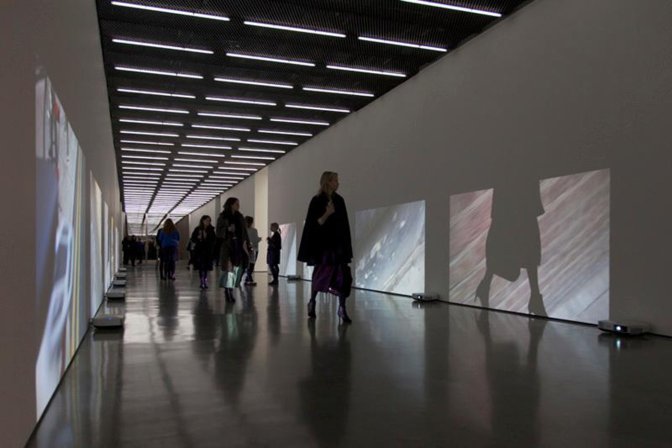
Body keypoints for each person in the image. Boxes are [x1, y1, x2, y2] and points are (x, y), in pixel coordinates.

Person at [297, 171, 353, 324]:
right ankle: (312, 302)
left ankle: (342, 308)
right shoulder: (317, 201)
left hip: (338, 247)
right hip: (323, 248)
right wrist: (327, 213)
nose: (338, 183)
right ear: (328, 182)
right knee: (321, 275)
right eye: (335, 180)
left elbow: (344, 226)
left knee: (343, 276)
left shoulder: (339, 200)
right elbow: (313, 225)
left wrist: (345, 246)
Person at [216, 198, 249, 302]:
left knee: (236, 269)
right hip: (227, 245)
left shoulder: (240, 217)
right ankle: (228, 291)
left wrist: (247, 243)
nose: (238, 205)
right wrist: (227, 229)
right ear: (230, 205)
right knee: (228, 269)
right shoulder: (223, 216)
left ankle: (230, 289)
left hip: (238, 245)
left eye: (238, 204)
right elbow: (218, 231)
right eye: (236, 204)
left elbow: (244, 232)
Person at [191, 215, 217, 289]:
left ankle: (205, 280)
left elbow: (214, 239)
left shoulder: (211, 229)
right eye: (207, 220)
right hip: (199, 250)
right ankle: (202, 281)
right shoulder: (197, 229)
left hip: (208, 250)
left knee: (205, 267)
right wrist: (198, 238)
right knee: (201, 266)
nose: (208, 222)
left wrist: (207, 238)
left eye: (209, 221)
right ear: (203, 221)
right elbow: (193, 238)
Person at [244, 216, 262, 285]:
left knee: (251, 264)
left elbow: (254, 240)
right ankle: (249, 278)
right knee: (250, 264)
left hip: (252, 249)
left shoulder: (253, 230)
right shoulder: (247, 230)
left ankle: (248, 277)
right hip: (249, 249)